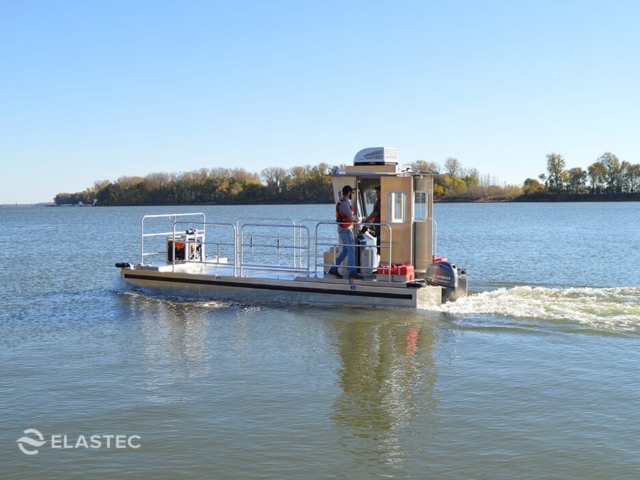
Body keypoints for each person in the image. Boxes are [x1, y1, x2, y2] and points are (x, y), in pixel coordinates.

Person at [328, 185, 364, 280]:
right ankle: (352, 272)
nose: (352, 194)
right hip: (346, 230)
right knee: (351, 250)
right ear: (348, 193)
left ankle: (333, 269)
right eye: (351, 193)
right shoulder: (344, 204)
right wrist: (360, 219)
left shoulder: (344, 203)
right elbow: (351, 217)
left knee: (345, 251)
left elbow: (350, 218)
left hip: (344, 230)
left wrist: (356, 222)